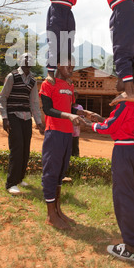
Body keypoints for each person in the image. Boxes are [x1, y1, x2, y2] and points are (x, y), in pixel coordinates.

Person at [83, 69, 134, 262]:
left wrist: (90, 124)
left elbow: (109, 129)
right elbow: (120, 126)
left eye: (120, 79)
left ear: (129, 82)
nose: (116, 82)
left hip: (122, 152)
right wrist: (99, 119)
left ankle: (131, 247)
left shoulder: (123, 104)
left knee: (124, 196)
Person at [39, 57, 85, 230]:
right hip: (54, 132)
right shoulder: (48, 84)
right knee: (51, 172)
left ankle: (58, 210)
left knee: (60, 172)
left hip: (68, 134)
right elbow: (48, 109)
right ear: (58, 65)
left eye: (73, 65)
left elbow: (70, 109)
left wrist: (83, 112)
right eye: (68, 64)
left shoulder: (69, 86)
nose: (71, 67)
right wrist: (69, 116)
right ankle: (50, 215)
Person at [0, 53, 44, 195]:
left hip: (26, 118)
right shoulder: (12, 77)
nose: (27, 61)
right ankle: (11, 183)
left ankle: (20, 178)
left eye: (30, 59)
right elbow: (2, 98)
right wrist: (4, 118)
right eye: (25, 58)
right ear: (20, 61)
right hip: (13, 116)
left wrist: (39, 122)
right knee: (17, 148)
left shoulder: (32, 81)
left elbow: (34, 103)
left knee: (25, 149)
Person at [71, 91, 84, 156]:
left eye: (75, 96)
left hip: (75, 131)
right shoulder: (66, 106)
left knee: (75, 146)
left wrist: (78, 122)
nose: (73, 98)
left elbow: (82, 118)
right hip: (66, 130)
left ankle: (75, 160)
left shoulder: (79, 107)